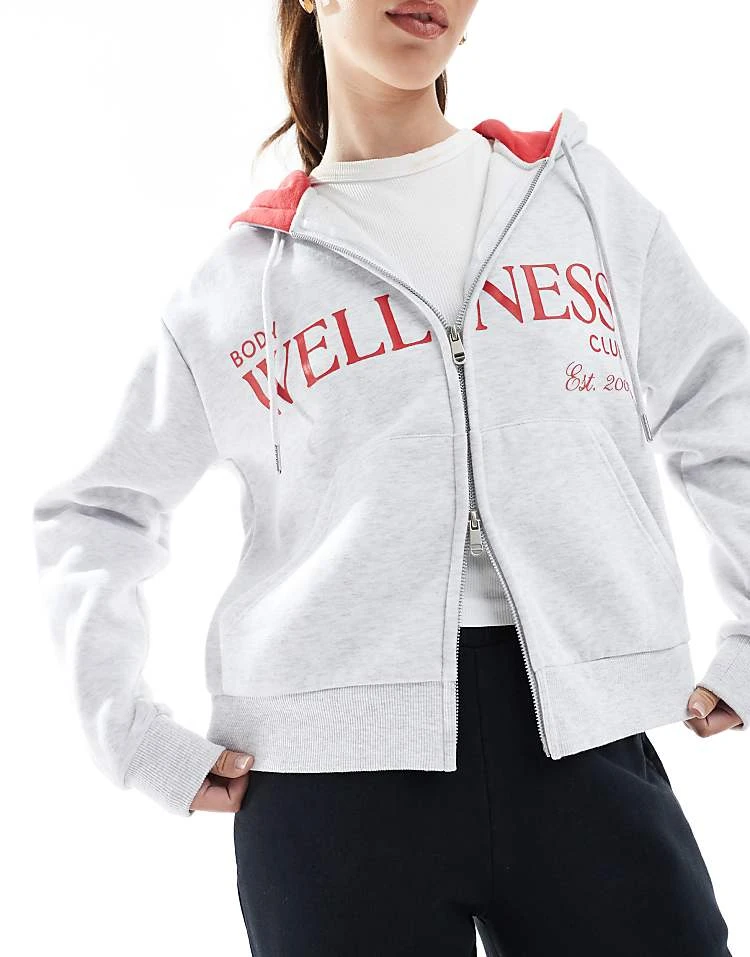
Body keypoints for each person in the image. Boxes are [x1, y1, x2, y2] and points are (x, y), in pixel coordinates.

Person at [31, 0, 747, 953]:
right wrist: (130, 735)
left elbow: (720, 397)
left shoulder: (575, 194)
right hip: (329, 791)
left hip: (585, 740)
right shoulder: (238, 281)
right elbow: (94, 511)